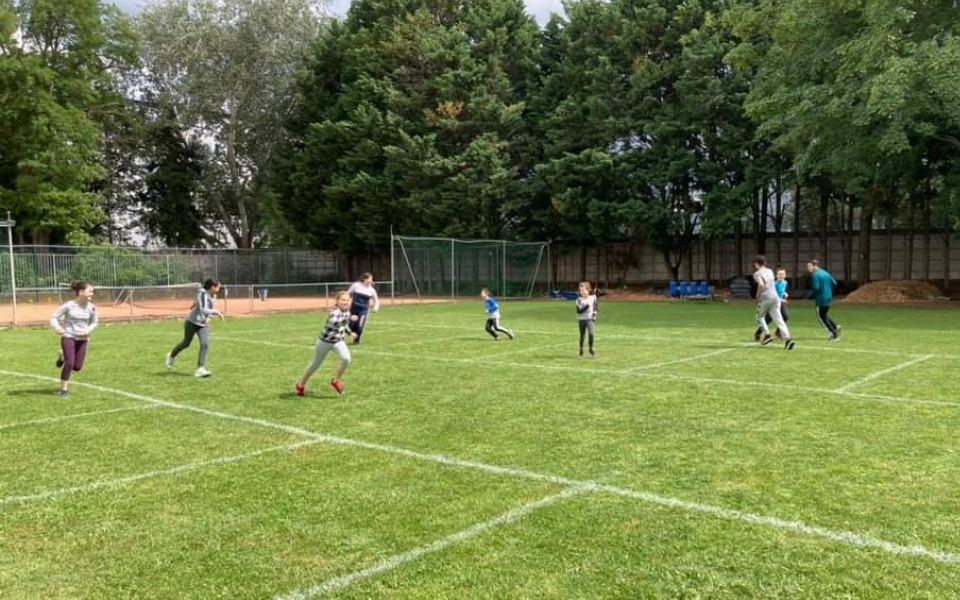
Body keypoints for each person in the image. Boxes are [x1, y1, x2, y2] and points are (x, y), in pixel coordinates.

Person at [295, 290, 357, 397]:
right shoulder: (334, 311)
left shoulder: (347, 312)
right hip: (324, 342)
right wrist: (349, 318)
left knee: (346, 359)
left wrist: (350, 332)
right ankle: (300, 384)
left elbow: (344, 325)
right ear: (337, 301)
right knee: (315, 365)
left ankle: (336, 380)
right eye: (343, 300)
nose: (345, 302)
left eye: (347, 300)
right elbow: (334, 323)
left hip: (338, 341)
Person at [50, 280, 99, 397]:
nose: (92, 294)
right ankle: (63, 390)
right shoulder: (69, 305)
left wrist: (88, 330)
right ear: (81, 292)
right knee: (70, 363)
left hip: (83, 339)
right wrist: (57, 327)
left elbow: (94, 322)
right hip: (68, 336)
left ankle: (62, 355)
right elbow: (53, 317)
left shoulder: (92, 307)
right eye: (90, 291)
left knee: (77, 367)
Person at [166, 279, 224, 377]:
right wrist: (217, 312)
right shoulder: (202, 294)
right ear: (212, 287)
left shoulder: (213, 296)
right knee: (186, 343)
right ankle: (171, 355)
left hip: (202, 324)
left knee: (205, 344)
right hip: (191, 322)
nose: (219, 288)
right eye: (218, 286)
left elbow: (208, 308)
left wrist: (209, 318)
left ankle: (200, 369)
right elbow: (204, 309)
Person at [753, 255, 795, 350]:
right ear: (765, 263)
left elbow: (761, 284)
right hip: (775, 299)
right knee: (779, 319)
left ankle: (767, 335)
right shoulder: (770, 271)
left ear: (756, 264)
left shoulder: (757, 274)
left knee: (759, 317)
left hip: (765, 298)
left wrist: (757, 294)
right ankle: (788, 339)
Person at [807, 259, 841, 341]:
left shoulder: (815, 275)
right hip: (828, 297)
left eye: (809, 266)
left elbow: (816, 288)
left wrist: (810, 295)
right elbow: (834, 284)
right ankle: (835, 326)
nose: (808, 268)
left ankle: (834, 334)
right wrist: (828, 290)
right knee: (824, 314)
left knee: (821, 317)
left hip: (821, 298)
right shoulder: (826, 273)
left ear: (815, 266)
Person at [347, 272, 379, 344]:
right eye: (369, 279)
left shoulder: (371, 290)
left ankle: (356, 340)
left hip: (363, 310)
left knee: (360, 325)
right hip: (354, 309)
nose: (370, 281)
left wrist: (375, 307)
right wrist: (346, 302)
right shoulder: (356, 285)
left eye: (371, 280)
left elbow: (376, 300)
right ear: (364, 279)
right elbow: (347, 293)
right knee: (351, 325)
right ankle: (352, 334)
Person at [575, 281, 599, 357]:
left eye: (583, 290)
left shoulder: (593, 298)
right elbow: (578, 311)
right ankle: (581, 349)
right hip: (581, 319)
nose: (582, 292)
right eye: (580, 290)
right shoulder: (579, 300)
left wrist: (595, 313)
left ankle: (591, 349)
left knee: (591, 334)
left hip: (590, 319)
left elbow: (596, 307)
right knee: (582, 335)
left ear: (588, 290)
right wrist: (586, 307)